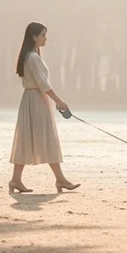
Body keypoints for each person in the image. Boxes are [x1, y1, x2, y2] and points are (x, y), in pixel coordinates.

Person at [8, 21, 79, 193]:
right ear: (34, 37)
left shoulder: (32, 56)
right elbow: (43, 84)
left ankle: (18, 180)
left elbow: (42, 84)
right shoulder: (32, 57)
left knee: (33, 138)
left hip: (33, 100)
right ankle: (57, 179)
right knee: (46, 138)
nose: (45, 38)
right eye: (43, 35)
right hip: (36, 100)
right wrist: (59, 102)